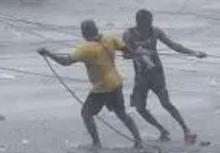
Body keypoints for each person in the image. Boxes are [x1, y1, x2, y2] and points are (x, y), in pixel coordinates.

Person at [37, 20, 142, 149]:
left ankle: (97, 144)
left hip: (102, 87)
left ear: (84, 33)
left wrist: (47, 53)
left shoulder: (85, 49)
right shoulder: (109, 37)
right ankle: (138, 141)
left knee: (86, 113)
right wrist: (136, 52)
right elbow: (126, 50)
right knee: (121, 113)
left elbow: (65, 62)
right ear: (96, 29)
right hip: (116, 82)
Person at [123, 9, 207, 144]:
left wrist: (194, 53)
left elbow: (174, 46)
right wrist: (137, 53)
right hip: (141, 77)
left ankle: (186, 130)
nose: (149, 26)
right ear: (139, 23)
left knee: (166, 103)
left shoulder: (155, 31)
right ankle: (162, 130)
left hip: (157, 74)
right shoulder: (128, 35)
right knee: (140, 108)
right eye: (147, 24)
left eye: (150, 23)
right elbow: (126, 54)